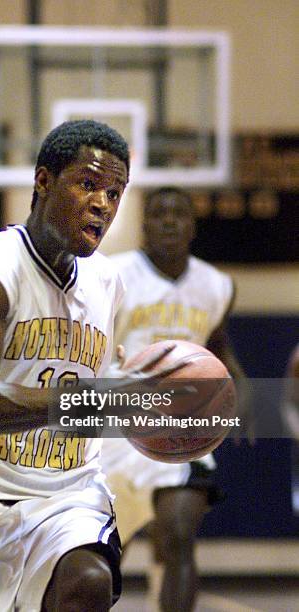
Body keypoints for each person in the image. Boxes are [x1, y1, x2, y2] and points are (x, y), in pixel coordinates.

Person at [0, 120, 189, 612]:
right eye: (88, 184)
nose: (103, 203)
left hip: (66, 499)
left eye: (115, 193)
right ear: (43, 180)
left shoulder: (106, 281)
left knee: (88, 582)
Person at [101, 186, 247, 612]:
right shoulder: (113, 273)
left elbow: (216, 343)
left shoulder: (217, 285)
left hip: (184, 422)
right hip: (116, 422)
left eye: (178, 214)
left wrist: (240, 385)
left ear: (192, 225)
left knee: (179, 535)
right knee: (104, 550)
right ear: (143, 225)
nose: (168, 221)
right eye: (158, 214)